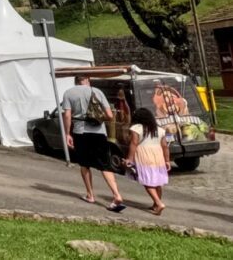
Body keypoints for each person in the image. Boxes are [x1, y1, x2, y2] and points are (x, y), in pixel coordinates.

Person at [61, 75, 125, 212]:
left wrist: (67, 133)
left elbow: (67, 115)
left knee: (84, 164)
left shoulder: (69, 93)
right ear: (87, 81)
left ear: (76, 81)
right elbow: (109, 115)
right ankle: (116, 194)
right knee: (105, 165)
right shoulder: (98, 91)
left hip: (80, 131)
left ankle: (90, 195)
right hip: (99, 132)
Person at [125, 107, 170, 215]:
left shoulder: (136, 128)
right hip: (158, 157)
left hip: (144, 156)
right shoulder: (160, 129)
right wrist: (167, 161)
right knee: (157, 182)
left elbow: (134, 143)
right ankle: (155, 204)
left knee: (147, 181)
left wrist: (129, 159)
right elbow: (165, 146)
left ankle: (159, 203)